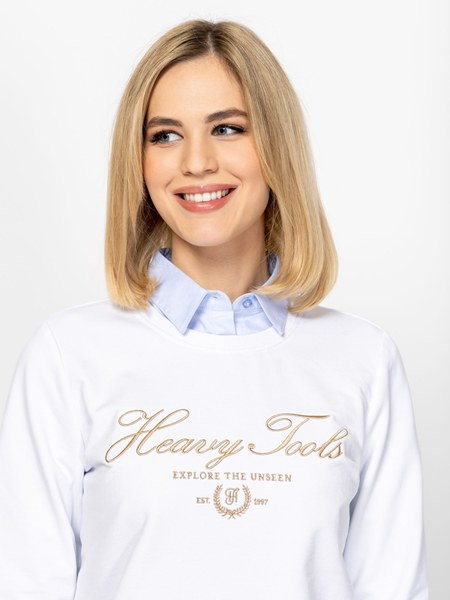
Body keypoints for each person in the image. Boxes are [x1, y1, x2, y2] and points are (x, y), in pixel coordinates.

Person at [0, 18, 428, 600]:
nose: (196, 162)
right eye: (165, 135)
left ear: (276, 145)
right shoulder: (69, 356)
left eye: (227, 128)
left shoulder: (363, 360)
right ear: (139, 161)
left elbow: (392, 587)